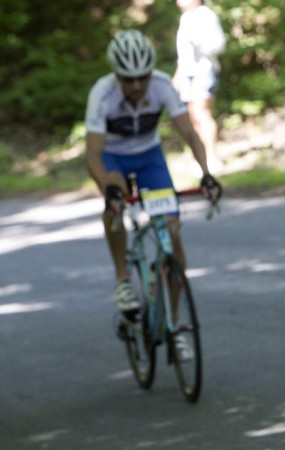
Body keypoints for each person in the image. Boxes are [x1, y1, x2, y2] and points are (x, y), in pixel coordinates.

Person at [85, 30, 222, 321]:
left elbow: (189, 132)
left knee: (172, 233)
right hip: (113, 156)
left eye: (142, 77)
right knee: (115, 199)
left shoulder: (161, 85)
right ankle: (123, 280)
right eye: (127, 79)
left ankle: (173, 323)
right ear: (116, 75)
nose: (136, 85)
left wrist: (207, 174)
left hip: (149, 157)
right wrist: (108, 190)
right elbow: (93, 154)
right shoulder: (102, 93)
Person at [173, 0, 226, 172]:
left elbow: (218, 44)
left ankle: (212, 158)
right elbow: (184, 55)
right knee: (193, 118)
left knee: (202, 114)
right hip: (187, 74)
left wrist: (200, 43)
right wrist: (178, 76)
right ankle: (201, 158)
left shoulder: (205, 15)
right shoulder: (186, 18)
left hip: (203, 71)